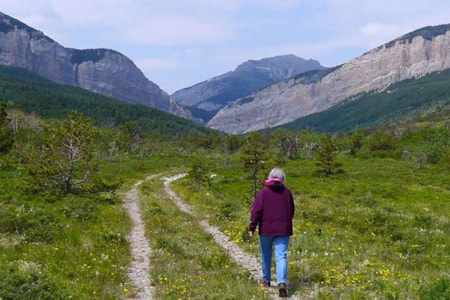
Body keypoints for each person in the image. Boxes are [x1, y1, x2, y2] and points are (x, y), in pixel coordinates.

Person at [249, 167, 295, 298]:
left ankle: (267, 280)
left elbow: (256, 211)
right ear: (282, 178)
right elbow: (291, 211)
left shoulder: (264, 192)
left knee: (266, 255)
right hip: (283, 229)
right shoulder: (287, 192)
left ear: (270, 177)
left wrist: (252, 227)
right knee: (282, 256)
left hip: (266, 229)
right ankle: (282, 283)